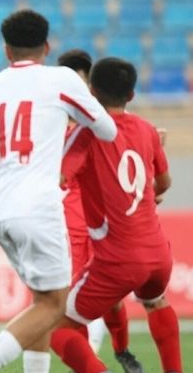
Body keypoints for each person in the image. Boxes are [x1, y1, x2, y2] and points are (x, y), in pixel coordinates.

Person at [0, 10, 117, 373]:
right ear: (47, 46)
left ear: (6, 51)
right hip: (38, 208)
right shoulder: (60, 79)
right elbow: (106, 129)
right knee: (54, 306)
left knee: (40, 301)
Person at [50, 57, 181, 373]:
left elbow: (58, 178)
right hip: (158, 254)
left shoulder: (85, 134)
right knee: (156, 302)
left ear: (91, 92)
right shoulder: (147, 130)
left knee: (53, 325)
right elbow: (164, 181)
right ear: (132, 95)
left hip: (118, 259)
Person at [58, 49, 142, 372]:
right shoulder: (56, 130)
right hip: (69, 227)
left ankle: (121, 349)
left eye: (83, 83)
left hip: (106, 225)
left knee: (111, 300)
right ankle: (93, 360)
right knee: (68, 304)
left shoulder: (103, 129)